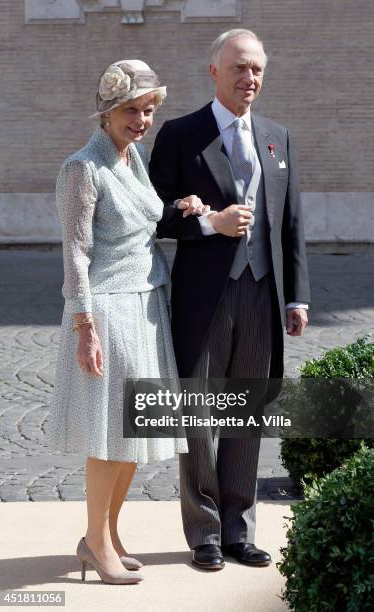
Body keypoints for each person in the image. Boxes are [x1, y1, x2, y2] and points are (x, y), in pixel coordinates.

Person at [149, 29, 311, 570]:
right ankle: (205, 533)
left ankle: (240, 528)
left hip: (262, 296)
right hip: (204, 298)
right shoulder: (180, 134)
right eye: (239, 68)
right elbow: (154, 216)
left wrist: (298, 297)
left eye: (258, 70)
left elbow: (292, 225)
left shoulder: (277, 137)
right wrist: (208, 224)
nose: (250, 79)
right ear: (214, 71)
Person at [47, 59, 205, 585]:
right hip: (108, 310)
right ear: (108, 112)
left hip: (146, 304)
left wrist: (178, 205)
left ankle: (108, 533)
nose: (143, 120)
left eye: (149, 110)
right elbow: (76, 252)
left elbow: (146, 215)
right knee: (111, 433)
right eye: (132, 111)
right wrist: (84, 327)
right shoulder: (82, 168)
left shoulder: (130, 157)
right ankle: (93, 543)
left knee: (135, 431)